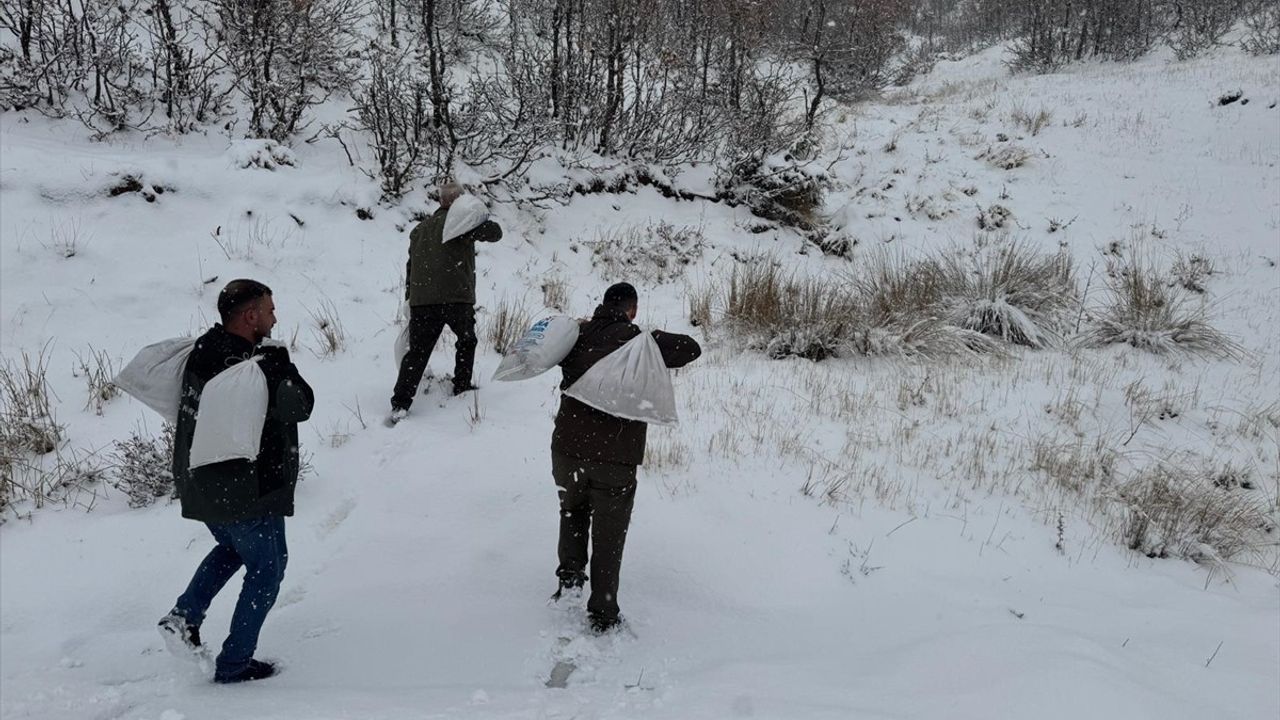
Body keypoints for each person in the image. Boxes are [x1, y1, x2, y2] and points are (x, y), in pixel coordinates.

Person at [158, 279, 315, 684]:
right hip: (245, 488)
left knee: (231, 547)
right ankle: (235, 663)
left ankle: (183, 617)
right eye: (269, 310)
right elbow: (299, 405)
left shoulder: (204, 350)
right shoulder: (254, 368)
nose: (274, 317)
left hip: (202, 482)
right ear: (250, 316)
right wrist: (282, 365)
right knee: (268, 569)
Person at [550, 282, 701, 633]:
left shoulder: (575, 335)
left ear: (602, 304)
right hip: (614, 456)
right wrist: (647, 335)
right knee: (609, 532)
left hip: (567, 449)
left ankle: (570, 581)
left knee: (572, 510)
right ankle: (603, 613)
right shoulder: (640, 342)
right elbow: (691, 349)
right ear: (632, 309)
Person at [388, 182, 503, 425]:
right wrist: (478, 215)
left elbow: (411, 267)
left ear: (440, 201)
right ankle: (461, 385)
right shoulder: (462, 224)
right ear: (460, 201)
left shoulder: (419, 230)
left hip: (423, 301)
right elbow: (495, 233)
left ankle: (400, 403)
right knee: (466, 340)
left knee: (417, 353)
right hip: (456, 298)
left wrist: (411, 298)